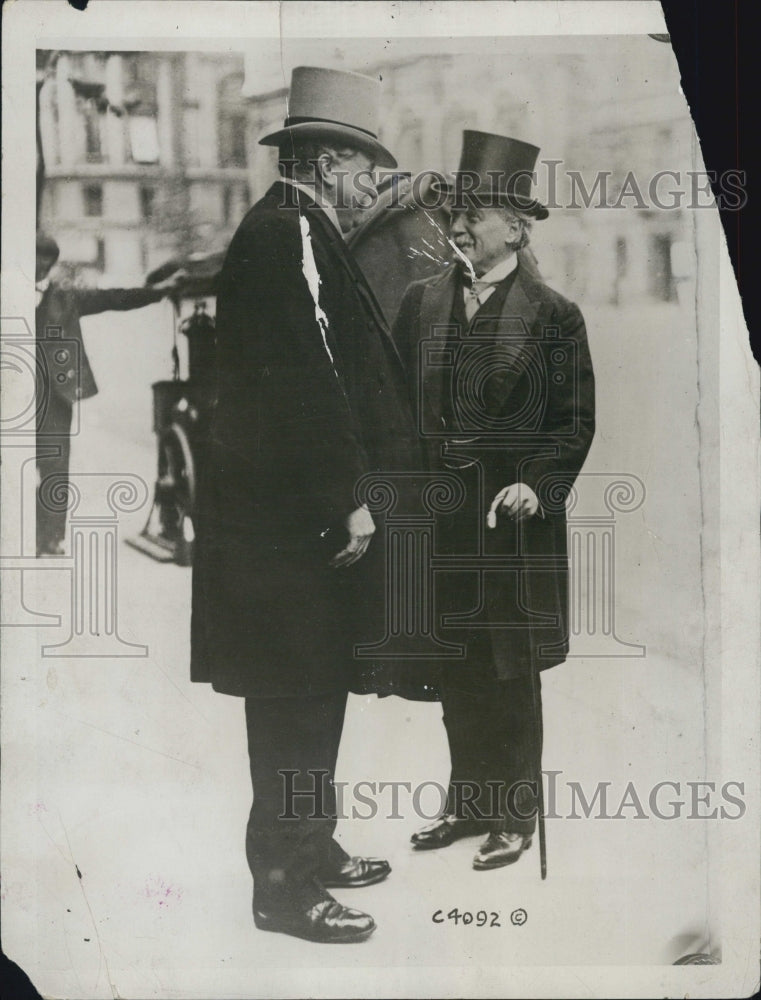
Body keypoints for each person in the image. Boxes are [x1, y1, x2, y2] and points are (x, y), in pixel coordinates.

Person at [190, 67, 421, 943]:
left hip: (286, 525)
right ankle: (284, 891)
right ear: (325, 162)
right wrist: (346, 498)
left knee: (315, 688)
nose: (372, 181)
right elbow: (306, 379)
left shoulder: (297, 225)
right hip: (288, 529)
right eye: (364, 165)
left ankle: (311, 847)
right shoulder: (287, 231)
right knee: (294, 700)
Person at [392, 131, 596, 871]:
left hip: (511, 523)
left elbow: (573, 422)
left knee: (511, 671)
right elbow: (394, 407)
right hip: (442, 518)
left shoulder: (553, 314)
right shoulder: (421, 302)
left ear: (516, 226)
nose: (457, 227)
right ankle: (468, 802)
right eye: (453, 214)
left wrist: (534, 483)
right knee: (455, 667)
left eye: (472, 215)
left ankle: (515, 815)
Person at [35, 233, 178, 556]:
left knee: (54, 465)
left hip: (54, 396)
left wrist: (157, 292)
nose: (40, 266)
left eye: (46, 260)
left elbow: (114, 298)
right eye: (35, 258)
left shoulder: (65, 297)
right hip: (15, 394)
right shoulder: (8, 292)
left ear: (51, 263)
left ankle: (50, 538)